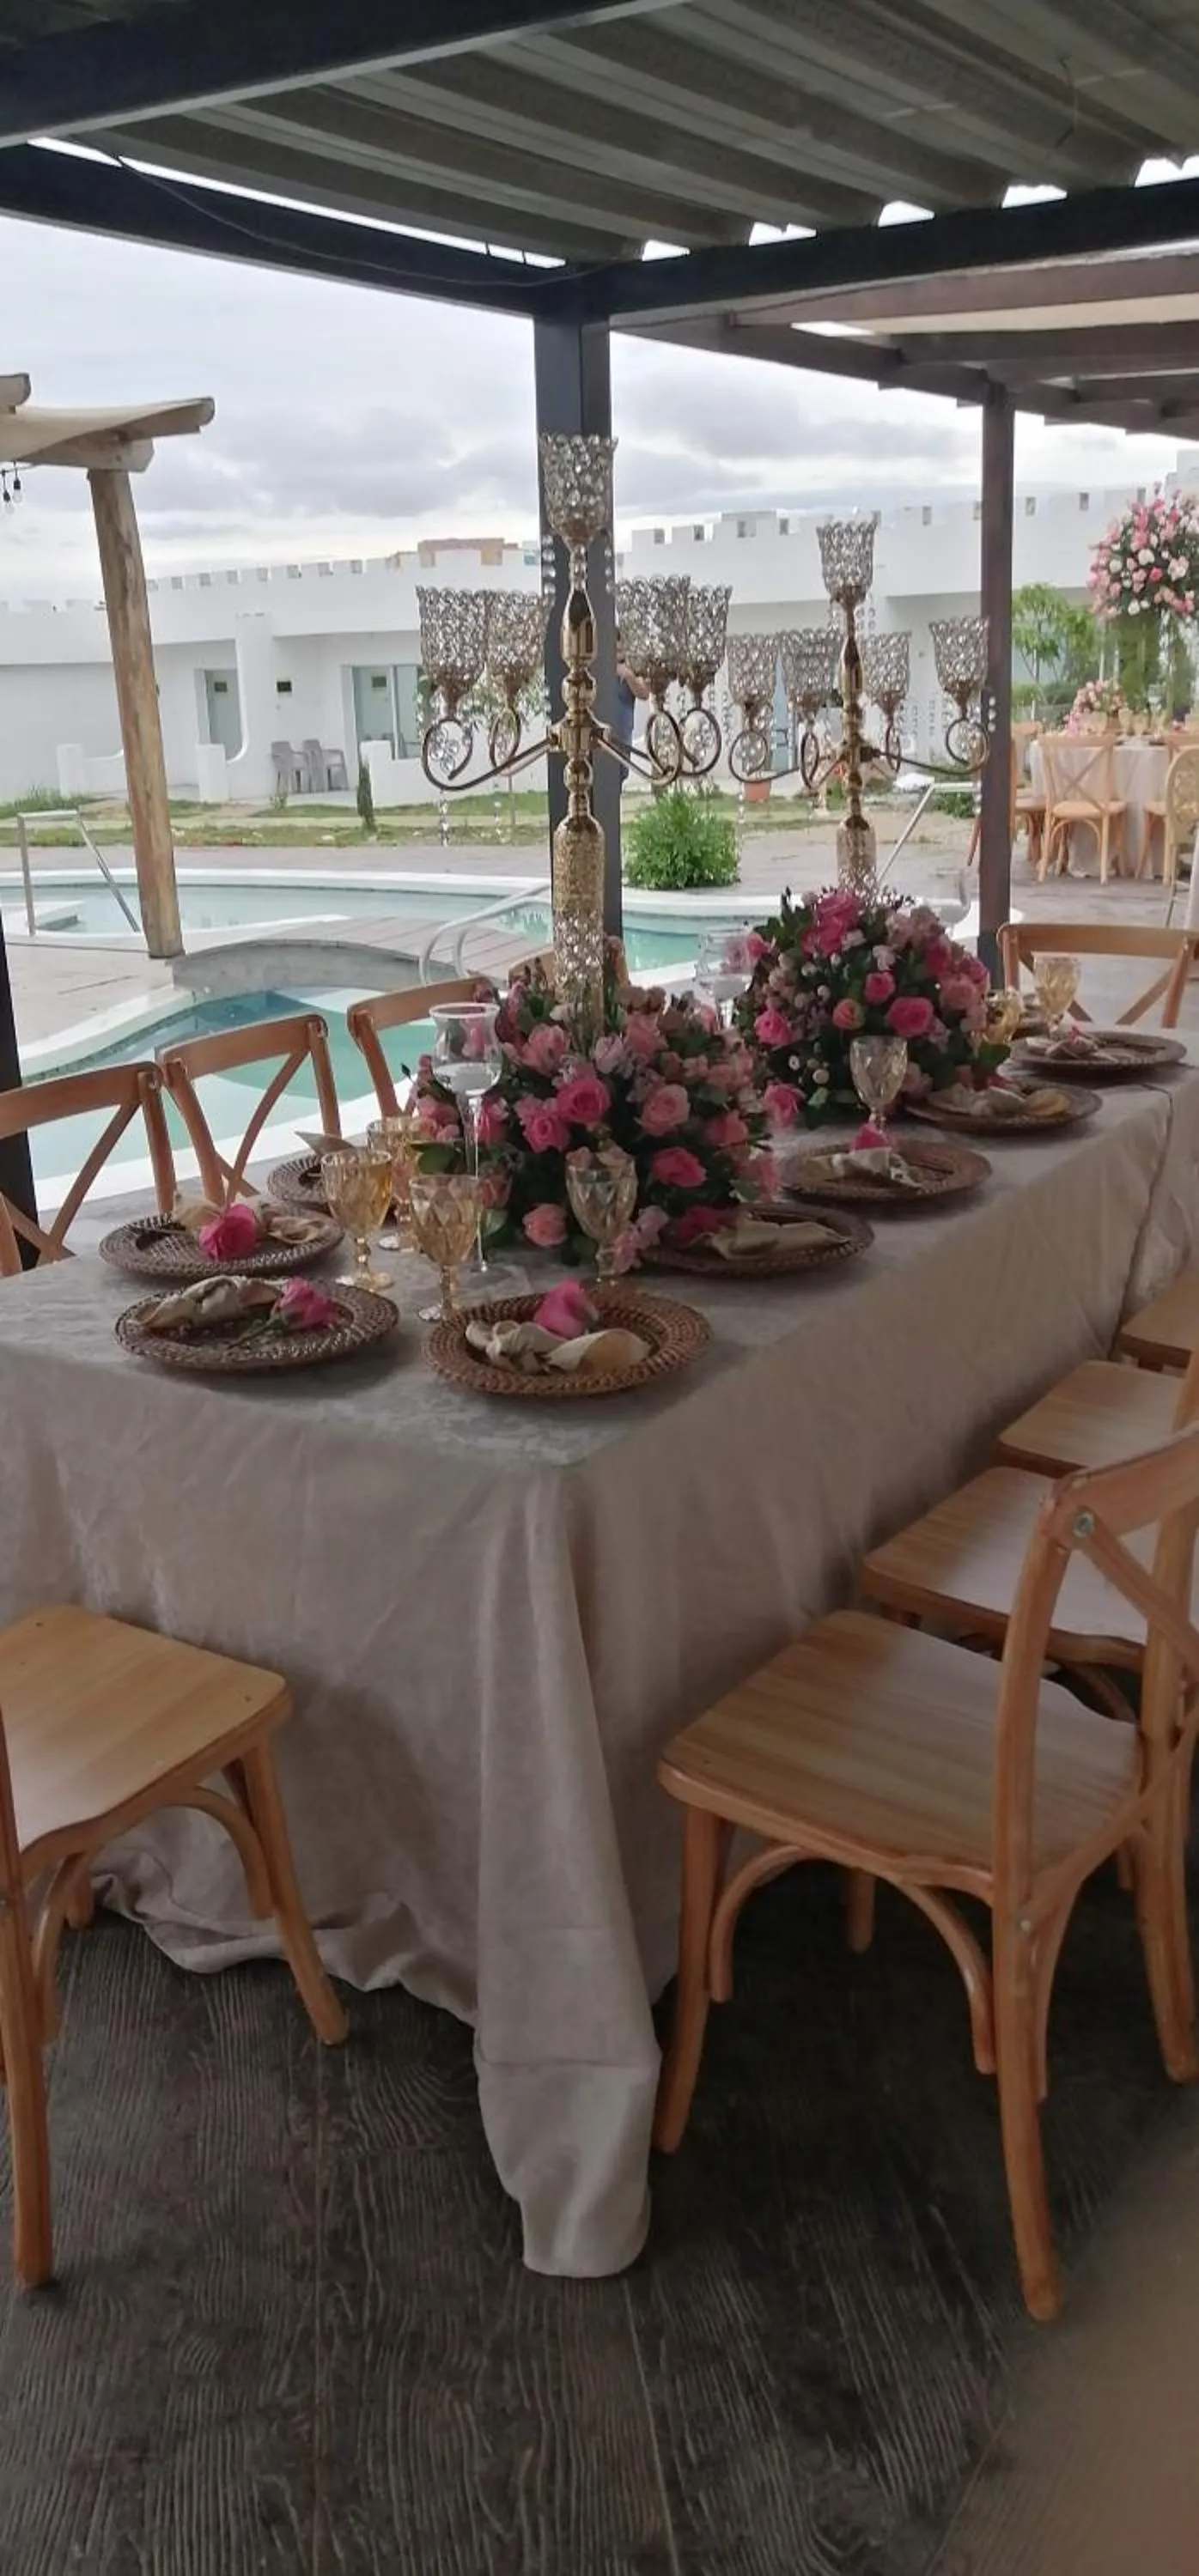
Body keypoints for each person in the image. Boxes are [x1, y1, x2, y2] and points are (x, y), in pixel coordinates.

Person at [614, 632, 650, 776]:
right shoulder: (596, 667)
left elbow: (644, 693)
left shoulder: (632, 667)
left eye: (620, 650)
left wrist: (630, 677)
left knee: (620, 774)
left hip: (622, 735)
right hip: (599, 735)